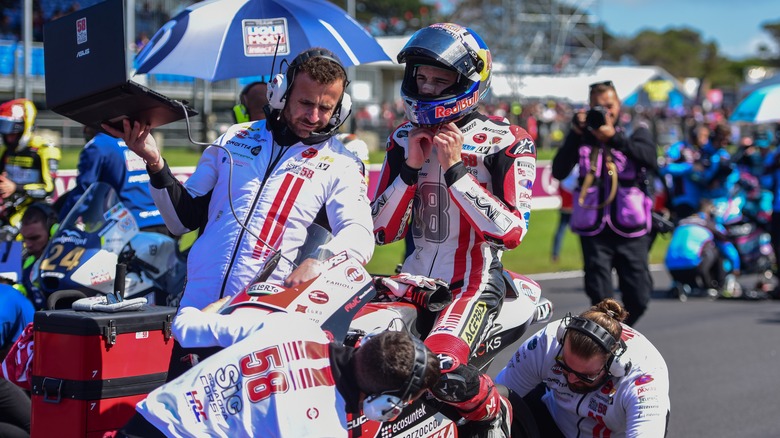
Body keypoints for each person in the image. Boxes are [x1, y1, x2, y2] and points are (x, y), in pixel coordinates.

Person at [103, 47, 373, 312]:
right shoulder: (234, 137)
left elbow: (360, 235)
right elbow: (181, 221)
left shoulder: (343, 164)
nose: (314, 117)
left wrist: (321, 261)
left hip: (264, 316)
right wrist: (154, 162)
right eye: (306, 103)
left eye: (325, 108)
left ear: (341, 107)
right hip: (196, 308)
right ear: (281, 93)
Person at [371, 23, 537, 436]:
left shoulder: (507, 140)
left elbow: (512, 233)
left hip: (473, 283)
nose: (426, 89)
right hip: (410, 281)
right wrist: (409, 168)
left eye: (440, 80)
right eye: (421, 78)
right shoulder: (401, 138)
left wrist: (456, 170)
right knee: (357, 354)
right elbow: (380, 232)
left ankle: (494, 415)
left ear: (468, 81)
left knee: (440, 371)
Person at [118, 310, 440, 438]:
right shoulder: (328, 429)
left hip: (144, 420)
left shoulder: (296, 325)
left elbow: (186, 327)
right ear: (385, 404)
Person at [551, 80, 657, 327]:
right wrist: (575, 135)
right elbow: (558, 170)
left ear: (619, 104)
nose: (605, 112)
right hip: (594, 227)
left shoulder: (634, 131)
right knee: (600, 298)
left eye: (609, 106)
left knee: (639, 295)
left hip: (631, 226)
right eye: (598, 107)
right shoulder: (583, 135)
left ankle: (622, 331)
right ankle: (607, 339)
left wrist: (615, 138)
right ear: (589, 108)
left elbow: (650, 160)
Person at [495, 298, 670, 438]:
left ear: (613, 366)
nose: (571, 379)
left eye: (584, 376)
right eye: (565, 366)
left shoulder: (644, 380)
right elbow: (498, 398)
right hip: (551, 420)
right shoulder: (547, 342)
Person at [57, 126, 167, 234]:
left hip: (130, 227)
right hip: (163, 220)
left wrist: (62, 221)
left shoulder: (98, 145)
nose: (84, 130)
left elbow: (84, 191)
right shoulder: (137, 140)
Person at [0, 98, 61, 229]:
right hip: (9, 209)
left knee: (8, 236)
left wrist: (16, 188)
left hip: (35, 213)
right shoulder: (8, 151)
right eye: (4, 129)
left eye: (12, 130)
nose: (8, 135)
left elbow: (48, 190)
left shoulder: (44, 150)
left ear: (24, 126)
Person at [664, 199, 741, 298]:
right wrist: (735, 268)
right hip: (694, 266)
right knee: (716, 248)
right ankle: (714, 284)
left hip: (671, 267)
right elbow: (728, 249)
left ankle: (683, 283)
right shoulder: (710, 224)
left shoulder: (682, 222)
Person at [18, 202, 56, 309]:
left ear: (53, 231)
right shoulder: (27, 264)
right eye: (24, 238)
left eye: (34, 238)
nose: (28, 244)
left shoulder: (69, 262)